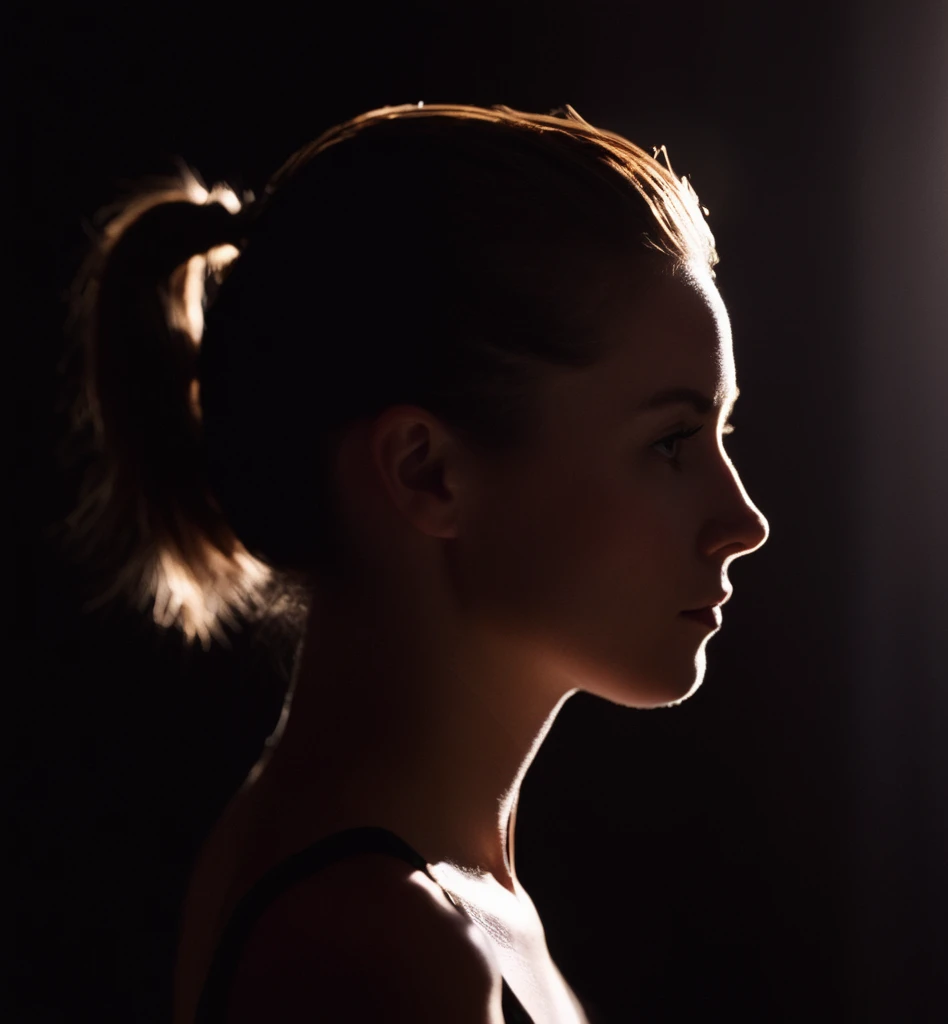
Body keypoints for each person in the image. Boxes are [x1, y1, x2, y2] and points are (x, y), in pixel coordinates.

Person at [62, 102, 769, 1023]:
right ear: (426, 472)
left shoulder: (410, 891)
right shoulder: (380, 947)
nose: (744, 521)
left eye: (720, 435)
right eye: (671, 443)